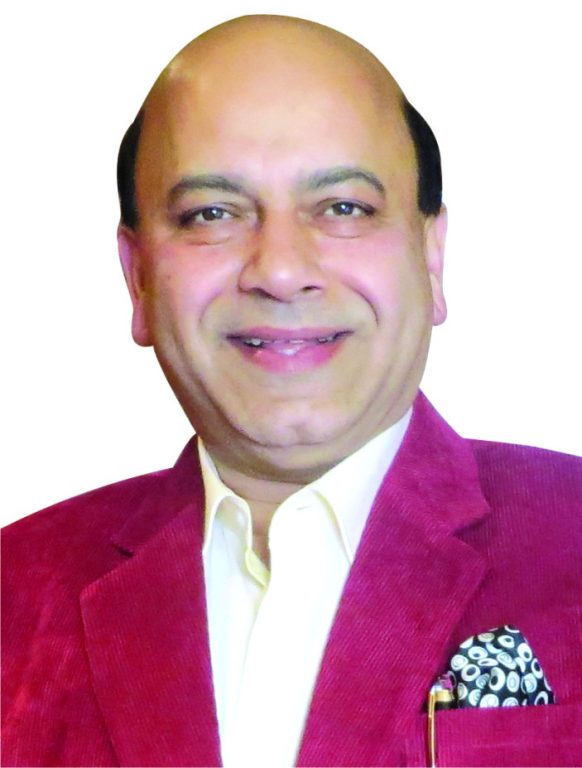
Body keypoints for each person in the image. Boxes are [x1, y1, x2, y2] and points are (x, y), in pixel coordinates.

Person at [2, 14, 581, 768]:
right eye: (212, 214)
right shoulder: (16, 596)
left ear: (432, 255)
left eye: (344, 207)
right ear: (138, 277)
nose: (279, 270)